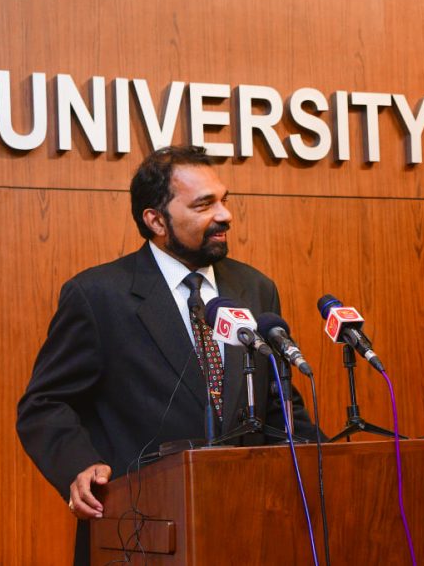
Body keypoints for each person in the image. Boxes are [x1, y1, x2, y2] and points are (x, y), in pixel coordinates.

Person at [16, 145, 322, 565]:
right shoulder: (98, 295)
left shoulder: (255, 288)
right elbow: (44, 403)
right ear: (156, 220)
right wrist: (79, 466)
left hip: (248, 528)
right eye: (204, 205)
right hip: (141, 534)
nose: (225, 215)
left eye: (224, 200)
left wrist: (327, 466)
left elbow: (277, 403)